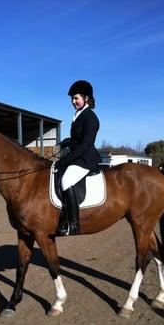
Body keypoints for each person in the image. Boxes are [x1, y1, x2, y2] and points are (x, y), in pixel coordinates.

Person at [57, 80, 101, 236]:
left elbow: (86, 144)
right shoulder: (78, 115)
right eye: (72, 99)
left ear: (86, 98)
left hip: (86, 158)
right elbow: (78, 139)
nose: (73, 102)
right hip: (79, 155)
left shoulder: (90, 117)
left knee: (66, 180)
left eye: (76, 98)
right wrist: (68, 142)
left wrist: (66, 158)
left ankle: (74, 224)